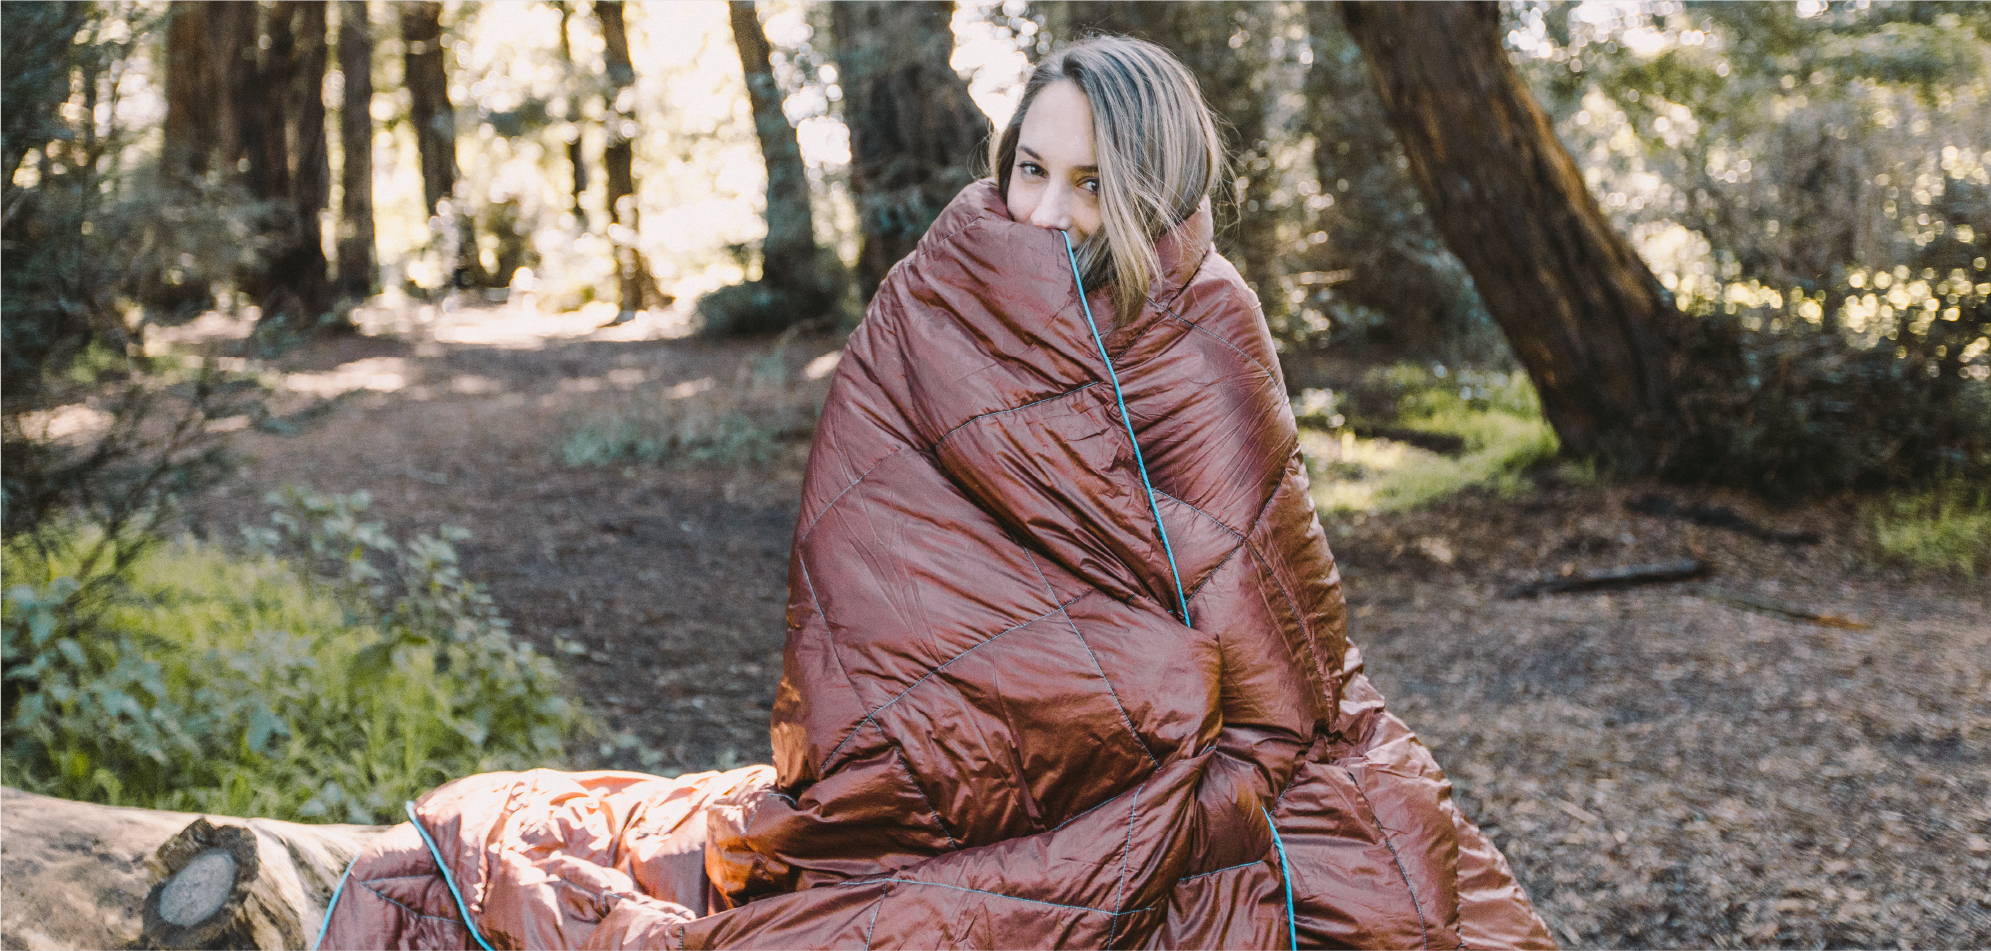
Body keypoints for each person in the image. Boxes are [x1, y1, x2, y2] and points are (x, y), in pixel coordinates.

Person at [321, 35, 1553, 950]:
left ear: (1159, 190)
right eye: (1032, 170)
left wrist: (1120, 815)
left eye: (1093, 184)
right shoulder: (941, 289)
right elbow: (879, 538)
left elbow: (1282, 692)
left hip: (1170, 768)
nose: (1051, 215)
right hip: (963, 754)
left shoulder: (1200, 333)